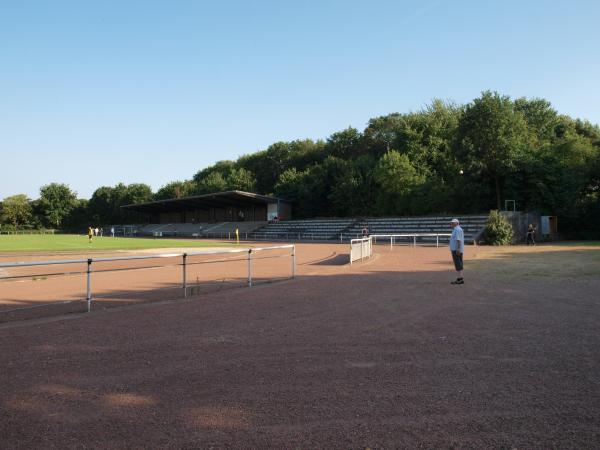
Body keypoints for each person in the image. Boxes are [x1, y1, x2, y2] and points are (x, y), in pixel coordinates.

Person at [449, 218, 464, 285]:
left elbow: (458, 240)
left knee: (458, 264)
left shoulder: (457, 229)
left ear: (457, 223)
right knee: (459, 264)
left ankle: (459, 279)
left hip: (456, 250)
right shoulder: (458, 229)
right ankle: (460, 278)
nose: (451, 223)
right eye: (451, 222)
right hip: (457, 249)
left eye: (453, 222)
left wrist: (458, 249)